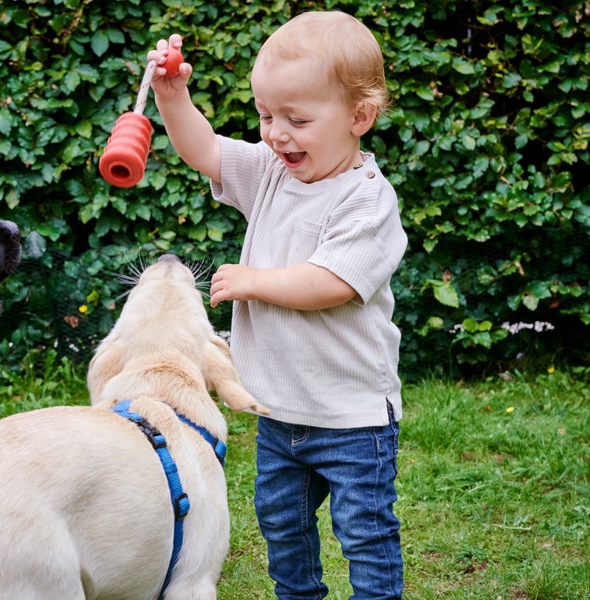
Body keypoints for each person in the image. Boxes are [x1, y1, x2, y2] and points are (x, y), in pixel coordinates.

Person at [147, 10, 408, 600]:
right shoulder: (270, 172)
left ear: (359, 118)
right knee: (284, 528)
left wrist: (253, 280)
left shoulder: (366, 202)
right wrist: (172, 95)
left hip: (351, 416)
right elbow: (206, 150)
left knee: (364, 532)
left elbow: (331, 284)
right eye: (266, 115)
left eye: (297, 119)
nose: (275, 133)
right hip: (279, 410)